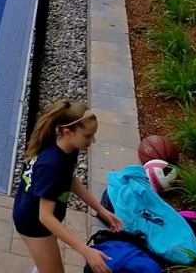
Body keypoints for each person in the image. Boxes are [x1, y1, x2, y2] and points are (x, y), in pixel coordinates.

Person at [12, 100, 123, 273]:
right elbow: (45, 217)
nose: (92, 140)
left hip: (34, 213)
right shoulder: (52, 165)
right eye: (87, 136)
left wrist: (100, 209)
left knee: (47, 265)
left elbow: (69, 180)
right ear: (67, 132)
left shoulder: (67, 147)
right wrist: (86, 251)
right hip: (33, 223)